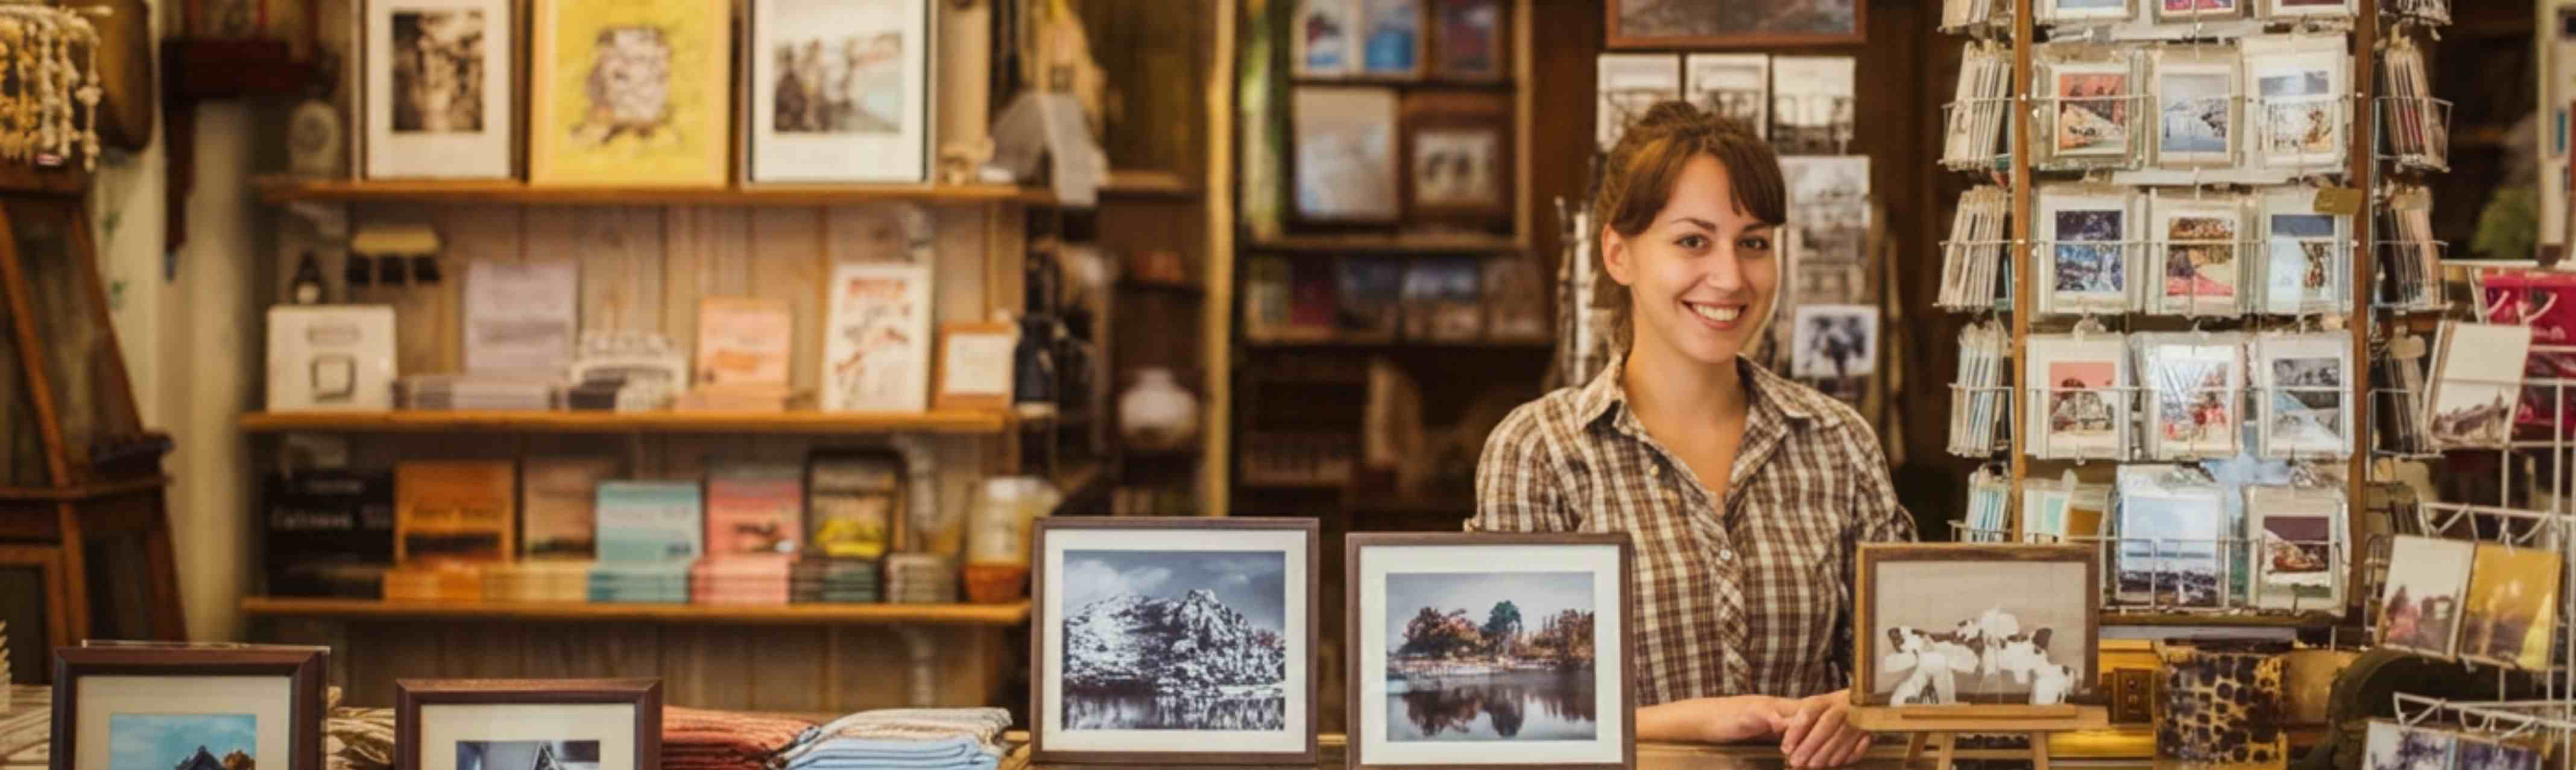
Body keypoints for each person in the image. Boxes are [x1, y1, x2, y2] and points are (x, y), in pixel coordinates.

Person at [1471, 101, 1913, 768]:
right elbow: (1497, 702)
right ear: (1618, 253)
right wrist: (1693, 723)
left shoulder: (1838, 441)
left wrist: (1862, 707)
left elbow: (1906, 664)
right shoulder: (1538, 451)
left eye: (1754, 242)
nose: (1731, 277)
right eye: (1692, 241)